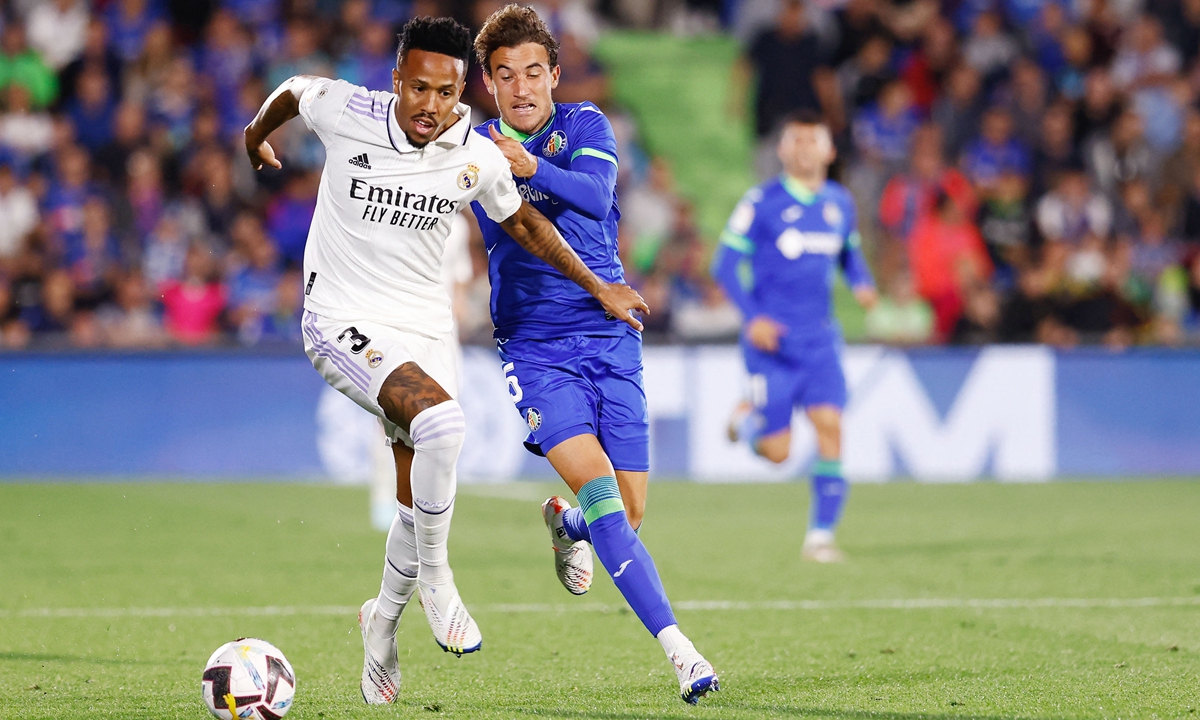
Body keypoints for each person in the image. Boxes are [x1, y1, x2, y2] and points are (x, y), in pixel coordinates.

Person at [242, 15, 648, 706]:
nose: (431, 105)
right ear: (397, 80)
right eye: (419, 88)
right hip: (339, 318)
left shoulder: (475, 150)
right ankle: (437, 579)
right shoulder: (348, 110)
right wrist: (256, 135)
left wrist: (598, 285)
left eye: (447, 93)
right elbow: (293, 88)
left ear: (464, 91)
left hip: (422, 327)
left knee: (415, 488)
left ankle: (381, 625)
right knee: (443, 427)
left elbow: (523, 221)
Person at [469, 5, 717, 705]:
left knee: (627, 515)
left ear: (554, 74)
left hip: (610, 330)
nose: (522, 88)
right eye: (505, 75)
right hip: (537, 345)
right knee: (608, 494)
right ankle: (682, 652)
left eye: (534, 73)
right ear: (489, 83)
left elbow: (597, 194)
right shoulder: (477, 148)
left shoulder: (584, 126)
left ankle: (567, 523)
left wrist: (531, 167)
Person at [712, 110, 877, 563]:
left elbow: (850, 253)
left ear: (829, 150)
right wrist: (752, 317)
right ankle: (747, 420)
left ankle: (820, 537)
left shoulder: (839, 202)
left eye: (813, 141)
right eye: (796, 141)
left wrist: (862, 283)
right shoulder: (761, 202)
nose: (804, 149)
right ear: (782, 150)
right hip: (772, 344)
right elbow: (723, 265)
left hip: (820, 341)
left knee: (830, 426)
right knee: (779, 453)